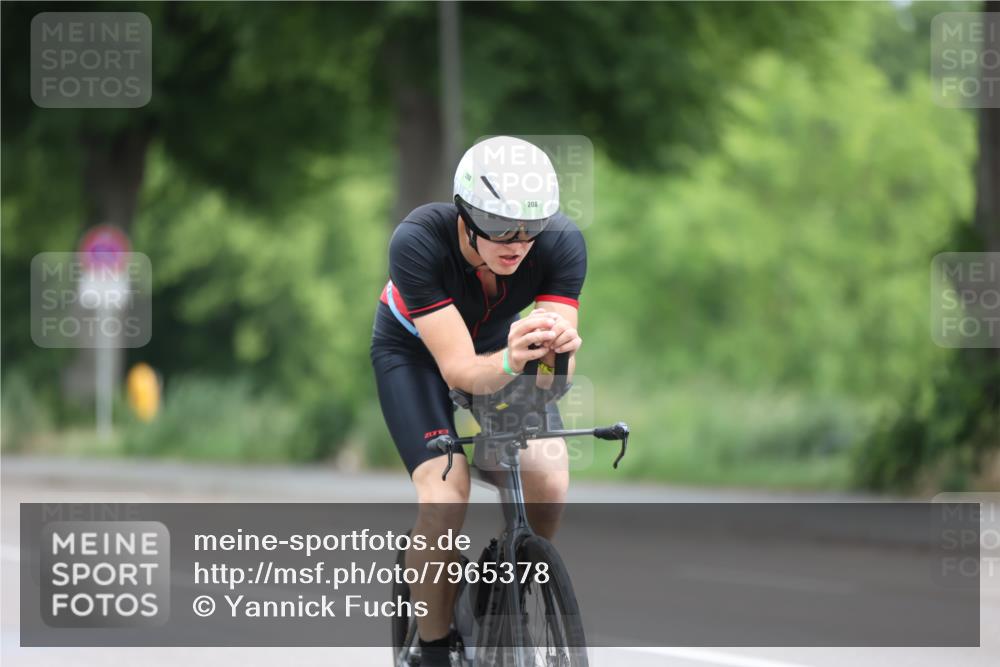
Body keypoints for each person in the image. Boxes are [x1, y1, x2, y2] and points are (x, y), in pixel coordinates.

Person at [370, 135, 586, 666]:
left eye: (530, 227)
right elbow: (461, 371)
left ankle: (502, 588)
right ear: (465, 214)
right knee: (448, 489)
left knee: (549, 475)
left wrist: (556, 360)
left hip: (499, 344)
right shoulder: (418, 240)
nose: (516, 243)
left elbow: (552, 383)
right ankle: (434, 646)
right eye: (499, 227)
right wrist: (514, 362)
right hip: (416, 351)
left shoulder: (560, 243)